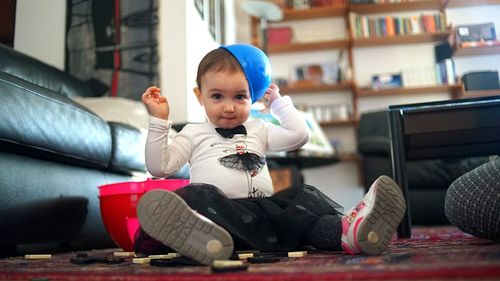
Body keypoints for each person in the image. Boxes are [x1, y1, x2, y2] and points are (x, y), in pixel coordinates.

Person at [135, 43, 406, 265]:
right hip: (216, 214)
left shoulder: (259, 129)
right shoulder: (193, 133)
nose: (229, 107)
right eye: (217, 96)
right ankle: (202, 238)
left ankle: (351, 232)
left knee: (299, 208)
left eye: (240, 97)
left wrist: (278, 104)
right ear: (200, 95)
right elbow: (160, 167)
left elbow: (299, 135)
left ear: (253, 98)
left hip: (264, 216)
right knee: (196, 196)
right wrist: (159, 121)